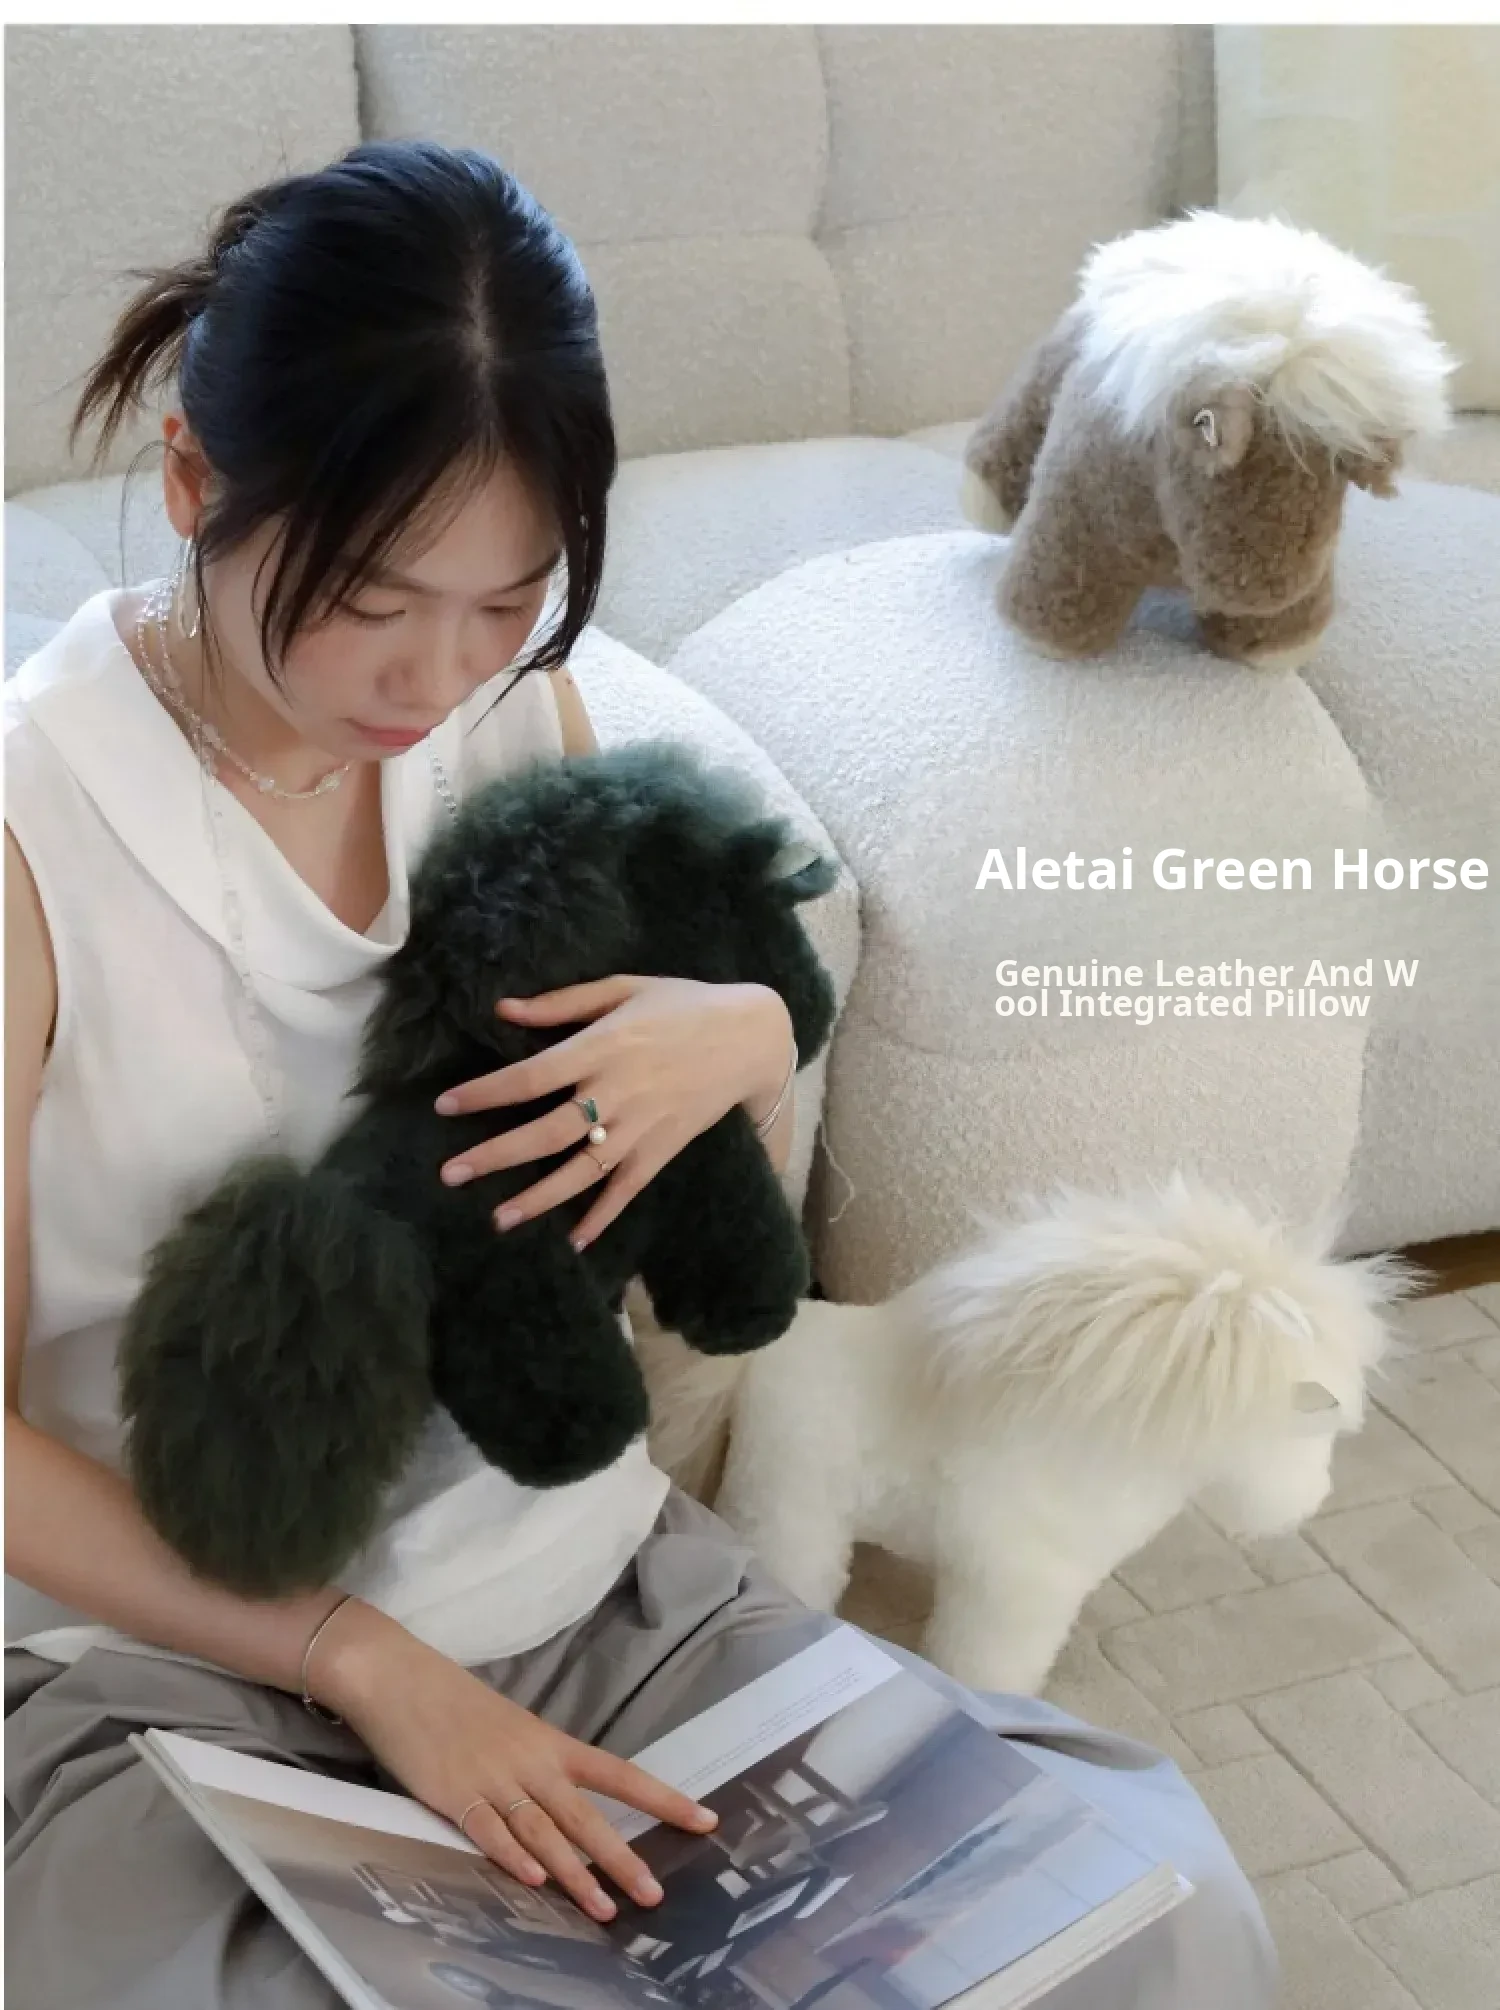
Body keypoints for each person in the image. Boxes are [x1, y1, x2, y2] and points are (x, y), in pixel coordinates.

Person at [4, 139, 1275, 2010]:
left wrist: (749, 1027)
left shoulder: (511, 707)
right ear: (196, 480)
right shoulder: (33, 838)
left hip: (584, 1593)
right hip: (183, 1663)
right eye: (374, 597)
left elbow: (683, 1020)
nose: (435, 674)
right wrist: (363, 1657)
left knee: (1161, 1926)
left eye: (505, 596)